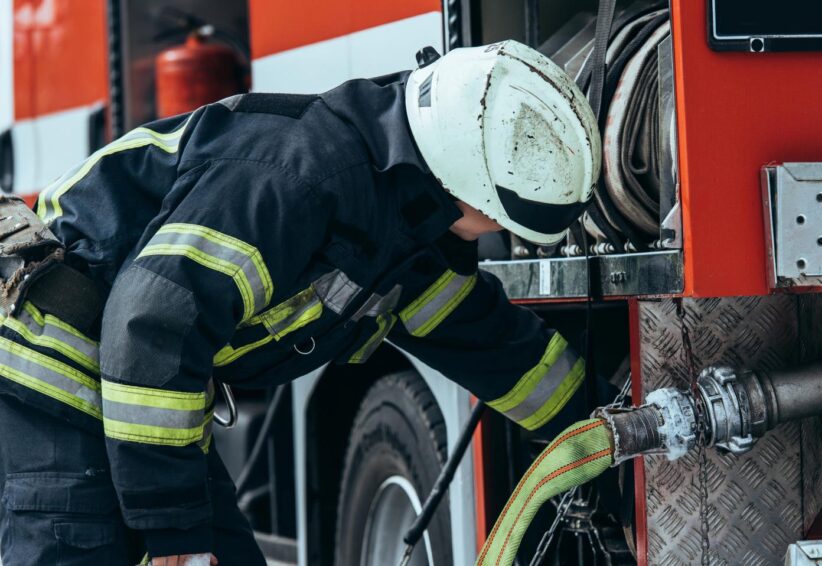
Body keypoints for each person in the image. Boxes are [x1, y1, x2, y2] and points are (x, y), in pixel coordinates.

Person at [0, 40, 601, 565]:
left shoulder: (398, 223)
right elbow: (152, 322)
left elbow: (486, 340)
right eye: (496, 215)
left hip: (124, 384)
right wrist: (177, 536)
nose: (497, 229)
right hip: (54, 376)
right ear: (464, 184)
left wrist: (597, 439)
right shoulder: (298, 178)